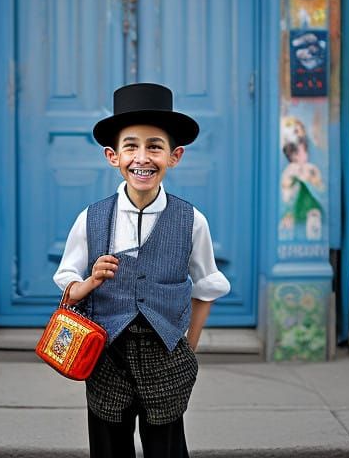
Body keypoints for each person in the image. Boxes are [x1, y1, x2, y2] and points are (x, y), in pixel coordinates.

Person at [53, 83, 230, 458]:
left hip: (164, 355)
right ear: (112, 156)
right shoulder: (91, 218)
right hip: (107, 356)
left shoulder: (191, 220)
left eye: (155, 146)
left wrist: (190, 345)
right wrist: (88, 282)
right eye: (130, 146)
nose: (142, 157)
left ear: (175, 155)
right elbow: (67, 282)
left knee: (166, 449)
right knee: (108, 447)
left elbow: (207, 285)